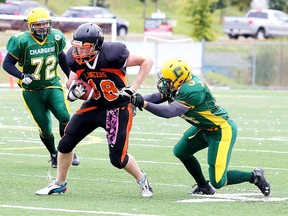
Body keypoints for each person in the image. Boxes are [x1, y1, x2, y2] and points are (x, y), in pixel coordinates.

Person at [35, 23, 154, 197]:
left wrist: (134, 88)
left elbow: (146, 61)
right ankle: (60, 184)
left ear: (96, 47)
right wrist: (74, 90)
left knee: (118, 160)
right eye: (76, 47)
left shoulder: (113, 54)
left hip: (117, 108)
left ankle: (143, 180)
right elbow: (73, 80)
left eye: (84, 48)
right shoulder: (73, 59)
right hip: (94, 105)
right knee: (65, 143)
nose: (78, 52)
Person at [131, 57, 270, 196]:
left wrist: (143, 103)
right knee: (181, 151)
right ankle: (204, 187)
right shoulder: (179, 84)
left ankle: (254, 176)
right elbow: (158, 96)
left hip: (221, 130)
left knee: (218, 181)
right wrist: (132, 100)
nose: (165, 83)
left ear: (179, 80)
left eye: (168, 80)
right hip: (203, 127)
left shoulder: (194, 89)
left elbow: (170, 112)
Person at [2, 7, 80, 168]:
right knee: (45, 128)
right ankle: (53, 153)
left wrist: (71, 79)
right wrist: (22, 76)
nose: (43, 28)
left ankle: (67, 150)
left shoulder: (56, 37)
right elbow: (7, 64)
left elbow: (62, 59)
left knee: (65, 116)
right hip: (32, 91)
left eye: (45, 24)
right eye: (38, 25)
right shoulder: (21, 41)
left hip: (53, 86)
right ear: (30, 26)